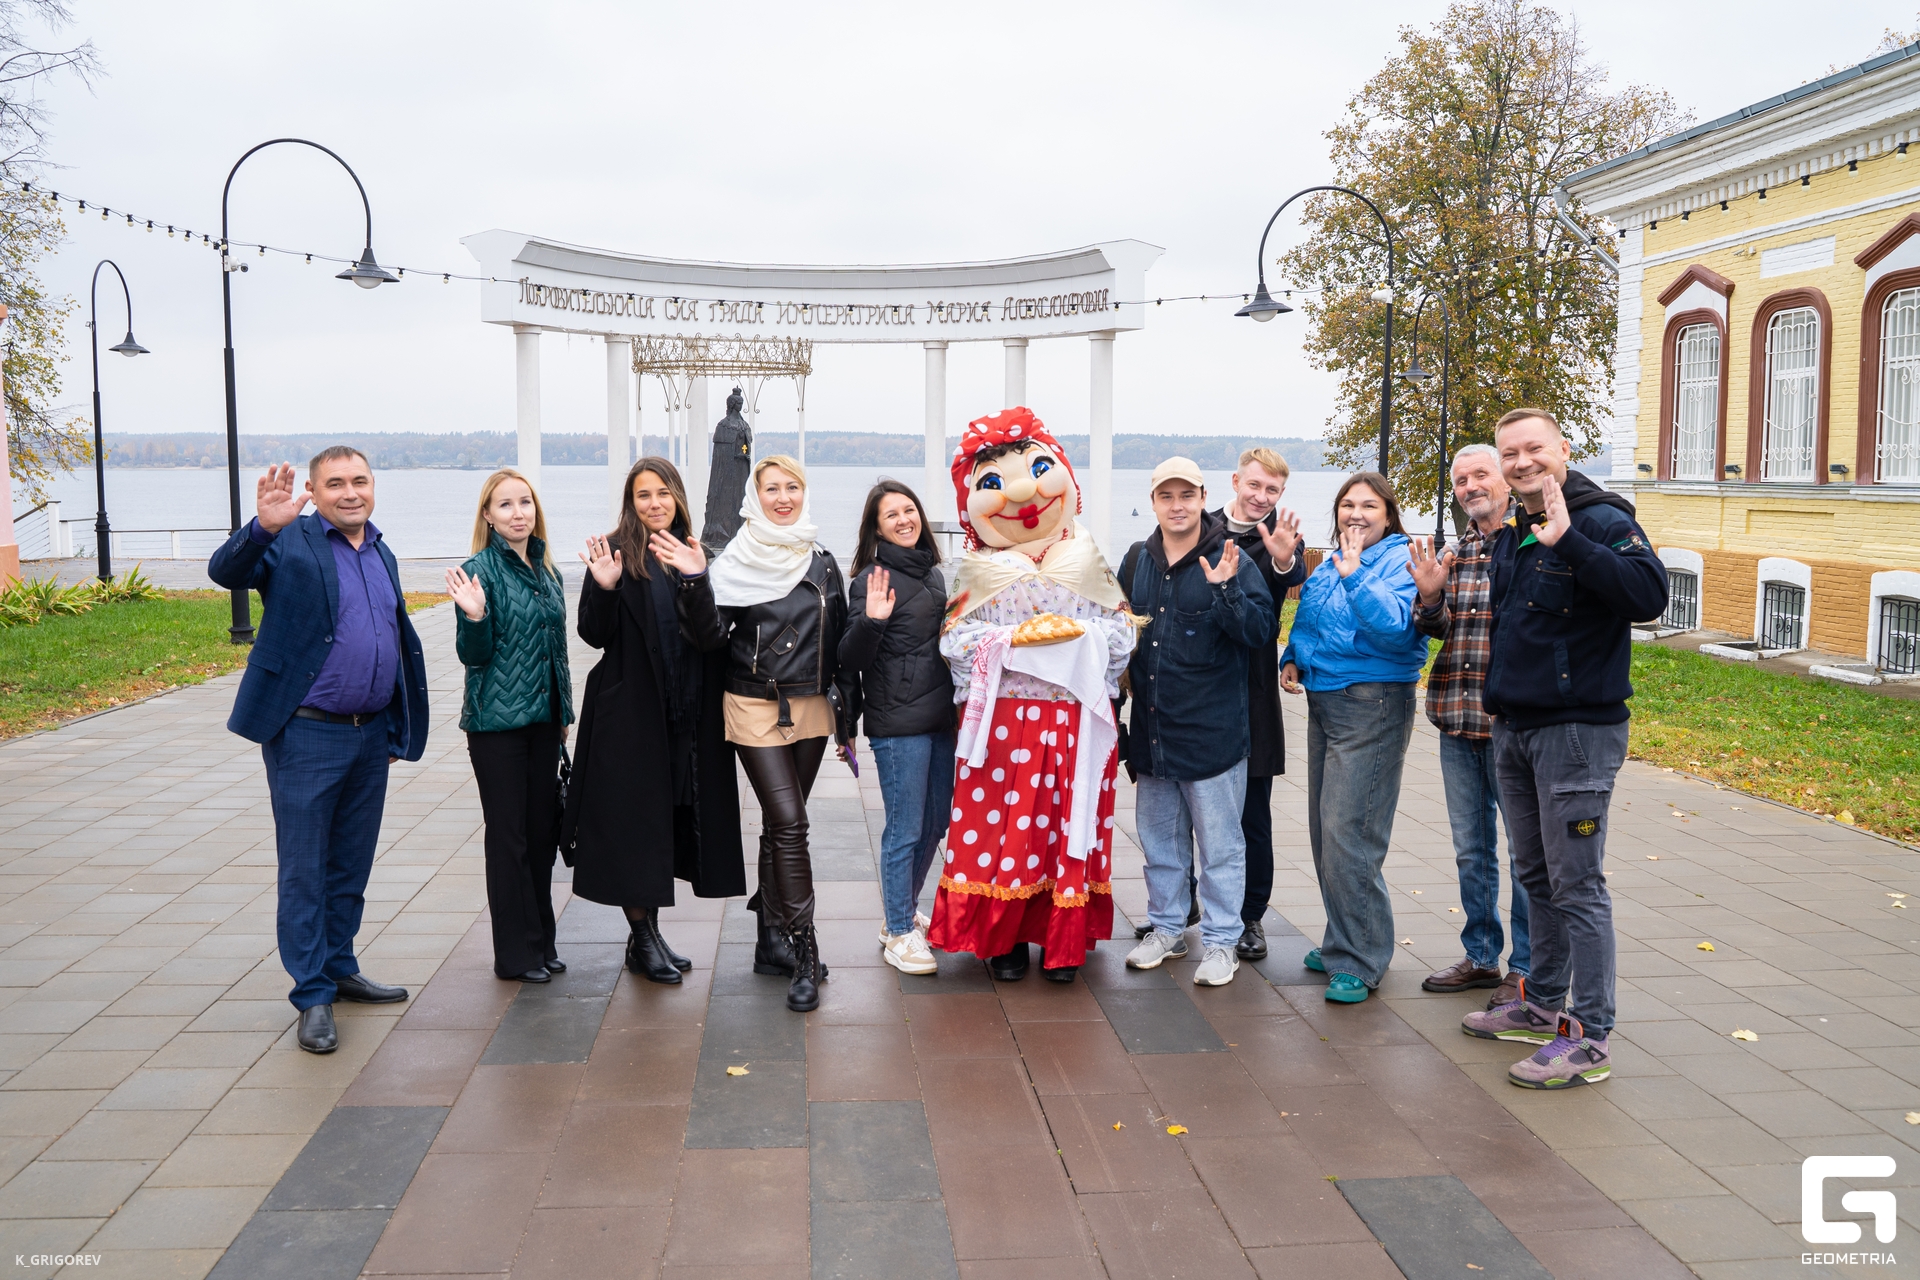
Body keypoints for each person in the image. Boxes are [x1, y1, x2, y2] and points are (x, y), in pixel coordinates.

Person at [1463, 409, 1666, 1090]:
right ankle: (1542, 1003)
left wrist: (1572, 542)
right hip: (1516, 729)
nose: (1522, 462)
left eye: (1534, 449)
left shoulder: (1602, 519)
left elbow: (1649, 596)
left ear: (1564, 450)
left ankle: (1591, 1036)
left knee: (1578, 884)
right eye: (1510, 453)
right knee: (1536, 874)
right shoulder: (1515, 531)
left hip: (1576, 734)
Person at [207, 449, 428, 1055]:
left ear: (373, 485)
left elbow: (387, 635)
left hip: (369, 733)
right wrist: (262, 527)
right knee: (305, 867)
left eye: (359, 481)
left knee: (351, 864)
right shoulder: (289, 541)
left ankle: (339, 965)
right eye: (335, 483)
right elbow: (226, 571)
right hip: (306, 733)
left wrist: (392, 723)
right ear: (313, 489)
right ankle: (311, 995)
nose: (350, 492)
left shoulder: (380, 550)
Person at [930, 407, 1133, 984]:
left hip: (1074, 717)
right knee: (1006, 831)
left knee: (1065, 826)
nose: (1023, 493)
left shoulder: (1087, 559)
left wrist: (1079, 637)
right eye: (993, 482)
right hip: (1003, 721)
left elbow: (1122, 634)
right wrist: (1011, 641)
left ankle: (1061, 938)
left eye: (1040, 470)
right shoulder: (978, 570)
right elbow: (953, 642)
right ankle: (1007, 939)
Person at [564, 458, 744, 985]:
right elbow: (593, 634)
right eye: (643, 495)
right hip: (630, 719)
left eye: (663, 493)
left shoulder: (692, 551)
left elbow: (711, 638)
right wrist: (604, 586)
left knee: (665, 824)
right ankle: (642, 937)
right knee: (635, 829)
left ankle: (649, 936)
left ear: (678, 497)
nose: (654, 503)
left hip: (685, 718)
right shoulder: (615, 551)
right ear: (631, 502)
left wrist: (696, 579)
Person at [686, 455, 853, 1012]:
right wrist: (696, 580)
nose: (784, 498)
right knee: (790, 824)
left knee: (781, 827)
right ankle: (804, 951)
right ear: (754, 498)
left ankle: (769, 941)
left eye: (793, 487)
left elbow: (840, 641)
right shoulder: (737, 560)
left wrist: (847, 717)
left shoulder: (821, 560)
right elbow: (709, 638)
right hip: (756, 705)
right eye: (772, 489)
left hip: (813, 708)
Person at [1118, 458, 1276, 987]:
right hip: (1154, 734)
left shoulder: (1231, 557)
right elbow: (1120, 634)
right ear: (1154, 501)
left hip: (1212, 736)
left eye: (1187, 495)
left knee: (1221, 849)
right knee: (1160, 844)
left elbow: (1259, 633)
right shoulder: (1137, 559)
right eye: (1166, 496)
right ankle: (1166, 929)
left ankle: (1222, 941)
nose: (1177, 505)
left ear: (1204, 497)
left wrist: (1228, 591)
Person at [1279, 472, 1426, 1005]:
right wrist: (1293, 656)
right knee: (1326, 831)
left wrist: (1357, 574)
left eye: (1368, 505)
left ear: (1389, 515)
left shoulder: (1398, 559)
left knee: (1351, 832)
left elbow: (1397, 628)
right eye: (1347, 505)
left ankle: (1361, 958)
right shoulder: (1334, 558)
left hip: (1372, 702)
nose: (1356, 514)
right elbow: (1311, 619)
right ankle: (1344, 938)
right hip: (1325, 700)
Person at [1409, 444, 1530, 1007]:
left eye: (1480, 474)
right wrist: (1430, 596)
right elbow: (1436, 628)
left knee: (1526, 853)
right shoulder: (1455, 552)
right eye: (1460, 480)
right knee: (1471, 849)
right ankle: (1482, 957)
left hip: (1514, 726)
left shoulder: (1530, 544)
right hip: (1457, 720)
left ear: (1505, 479)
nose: (1470, 486)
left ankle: (1527, 969)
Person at [445, 469, 573, 985]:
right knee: (509, 838)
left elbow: (557, 652)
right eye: (505, 505)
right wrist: (474, 617)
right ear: (488, 515)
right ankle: (515, 955)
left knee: (541, 835)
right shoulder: (478, 572)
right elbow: (473, 656)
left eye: (525, 502)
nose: (518, 513)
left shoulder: (547, 570)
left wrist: (563, 715)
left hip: (543, 723)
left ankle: (541, 943)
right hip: (496, 727)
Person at [840, 480, 952, 976]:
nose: (905, 520)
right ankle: (901, 931)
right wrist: (871, 621)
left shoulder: (932, 574)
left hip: (942, 718)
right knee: (905, 829)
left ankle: (899, 914)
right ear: (877, 528)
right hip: (898, 725)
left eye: (910, 510)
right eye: (892, 515)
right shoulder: (872, 579)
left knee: (935, 823)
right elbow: (849, 658)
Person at [1212, 447, 1307, 960]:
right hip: (1200, 687)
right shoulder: (1202, 527)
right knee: (1191, 810)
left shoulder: (1281, 539)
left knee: (1253, 814)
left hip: (1253, 692)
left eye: (1272, 490)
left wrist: (1284, 559)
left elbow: (1291, 578)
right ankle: (1183, 905)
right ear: (1235, 481)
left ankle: (1251, 916)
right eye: (1254, 485)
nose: (1261, 497)